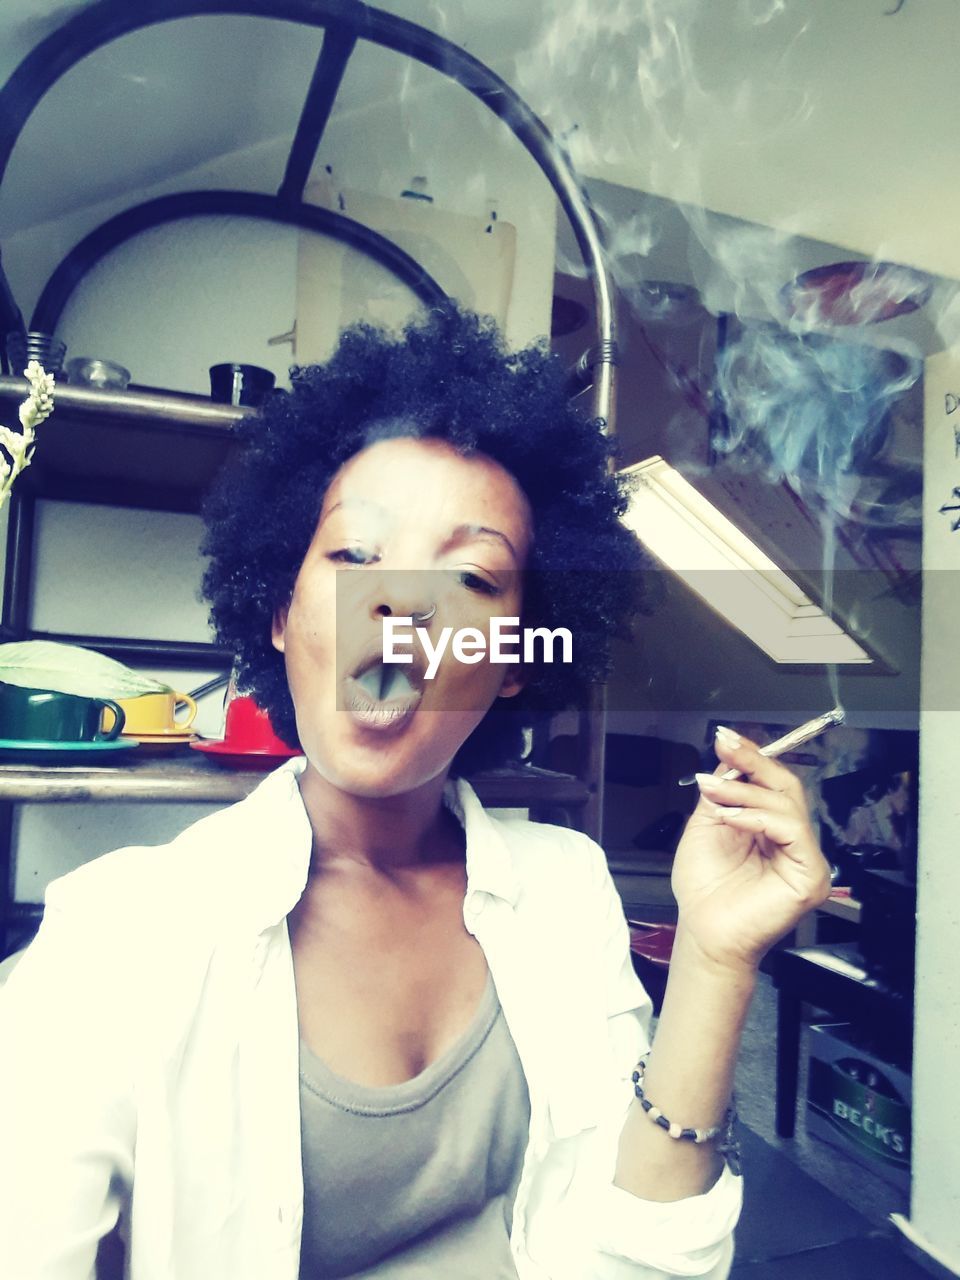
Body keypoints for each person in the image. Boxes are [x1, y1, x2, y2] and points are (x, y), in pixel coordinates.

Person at [0, 306, 830, 1280]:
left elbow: (646, 1253)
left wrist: (714, 956)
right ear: (278, 608)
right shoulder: (116, 939)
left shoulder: (568, 887)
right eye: (355, 556)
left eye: (472, 574)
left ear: (516, 658)